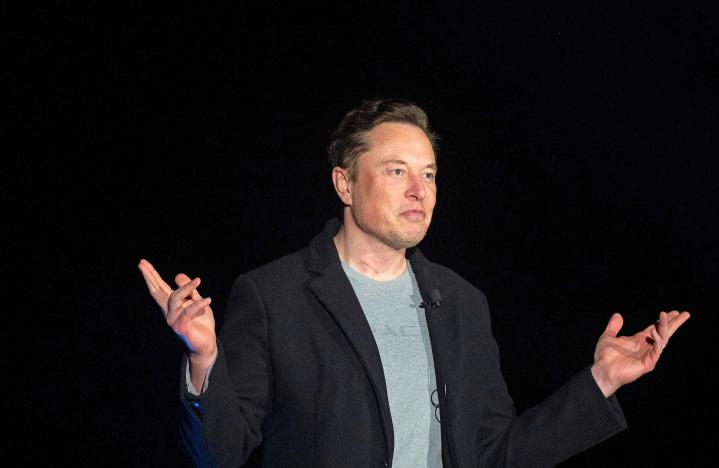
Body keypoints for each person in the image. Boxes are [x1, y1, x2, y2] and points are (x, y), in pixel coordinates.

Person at [138, 99, 690, 468]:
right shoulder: (275, 295)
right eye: (397, 171)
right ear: (345, 183)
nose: (419, 190)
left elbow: (495, 455)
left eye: (428, 174)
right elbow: (222, 454)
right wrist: (204, 360)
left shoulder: (462, 304)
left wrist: (599, 383)